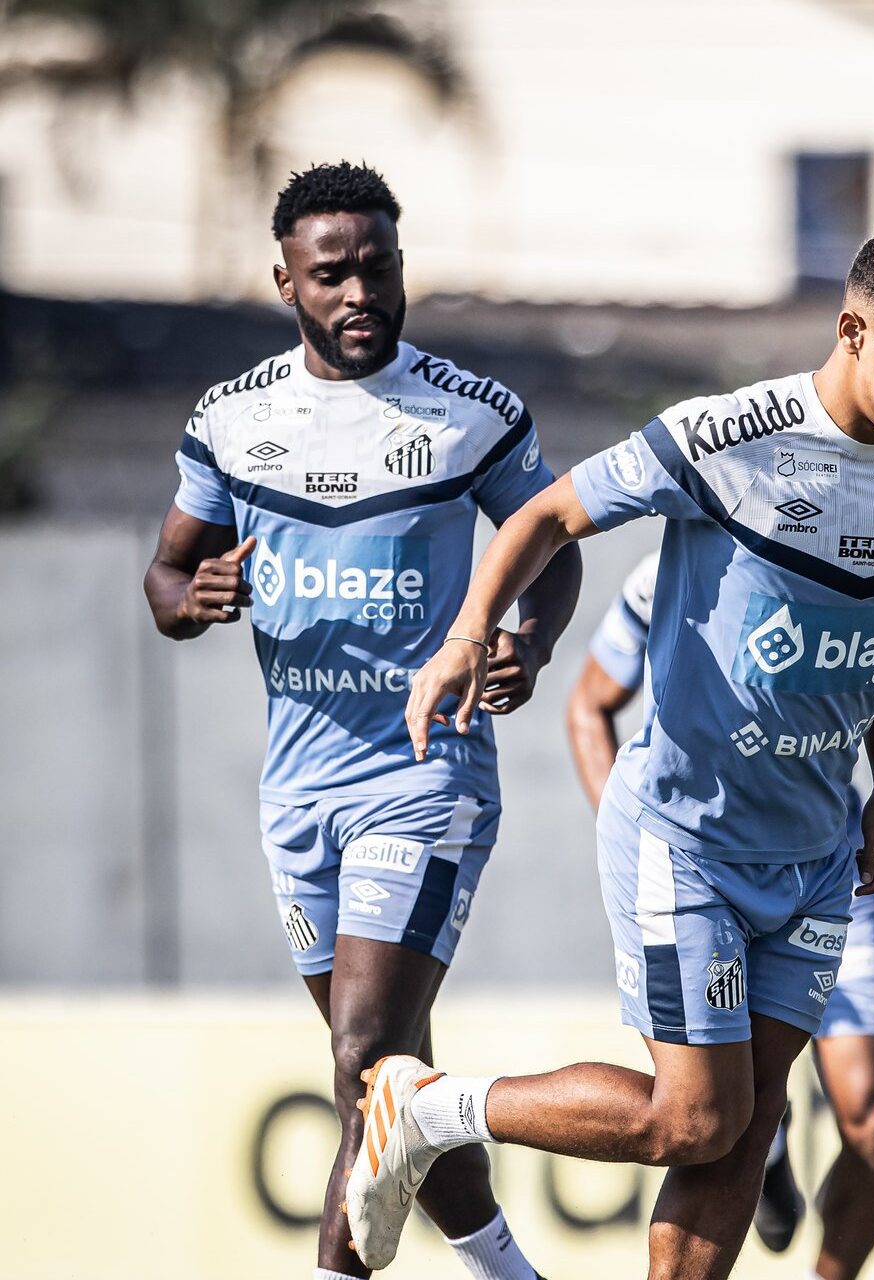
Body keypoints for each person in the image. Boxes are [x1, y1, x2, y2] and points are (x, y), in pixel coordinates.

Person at [347, 226, 874, 1280]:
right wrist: (468, 633)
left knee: (748, 1121)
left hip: (817, 851)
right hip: (687, 837)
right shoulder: (727, 435)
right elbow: (548, 513)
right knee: (693, 1117)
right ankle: (423, 1104)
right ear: (850, 329)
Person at [141, 161, 580, 1280]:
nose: (360, 294)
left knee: (362, 1051)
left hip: (422, 776)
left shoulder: (470, 414)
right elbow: (165, 572)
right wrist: (190, 602)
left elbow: (550, 545)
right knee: (390, 1075)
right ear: (285, 281)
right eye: (331, 274)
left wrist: (522, 642)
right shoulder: (234, 420)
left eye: (378, 267)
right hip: (296, 791)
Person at [567, 552, 874, 1278]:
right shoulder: (670, 572)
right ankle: (442, 1112)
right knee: (699, 1116)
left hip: (830, 876)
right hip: (701, 872)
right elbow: (588, 703)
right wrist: (644, 859)